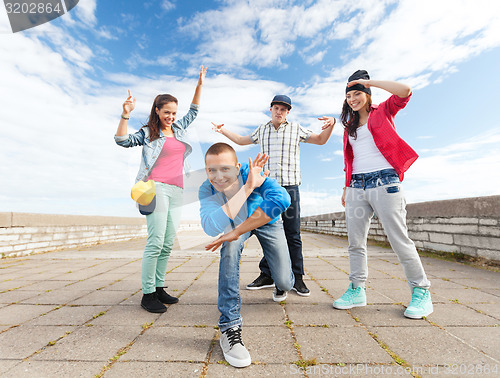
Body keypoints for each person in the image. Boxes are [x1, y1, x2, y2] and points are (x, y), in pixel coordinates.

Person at [330, 69, 432, 319]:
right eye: (349, 95)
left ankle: (421, 291)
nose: (353, 99)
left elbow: (405, 91)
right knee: (355, 243)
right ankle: (357, 289)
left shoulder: (383, 111)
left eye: (357, 93)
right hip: (356, 187)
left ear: (367, 94)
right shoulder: (349, 126)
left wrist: (368, 82)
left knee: (399, 240)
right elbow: (349, 160)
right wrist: (346, 187)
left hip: (385, 182)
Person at [212, 95, 336, 297]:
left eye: (284, 109)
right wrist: (222, 130)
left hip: (290, 187)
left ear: (288, 112)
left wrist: (332, 124)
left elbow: (321, 140)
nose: (280, 112)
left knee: (292, 234)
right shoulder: (262, 130)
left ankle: (298, 277)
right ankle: (267, 275)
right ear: (271, 109)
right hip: (267, 188)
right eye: (277, 108)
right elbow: (242, 140)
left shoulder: (296, 129)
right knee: (268, 232)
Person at [114, 66, 207, 313]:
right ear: (157, 111)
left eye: (174, 113)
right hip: (155, 190)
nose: (171, 117)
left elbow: (194, 111)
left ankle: (158, 287)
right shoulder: (148, 133)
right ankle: (147, 294)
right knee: (155, 241)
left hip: (178, 190)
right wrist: (125, 115)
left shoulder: (178, 129)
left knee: (167, 243)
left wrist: (199, 84)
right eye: (167, 112)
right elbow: (122, 140)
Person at [199, 142, 294, 368]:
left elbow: (283, 200)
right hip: (237, 222)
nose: (218, 176)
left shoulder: (252, 172)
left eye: (225, 169)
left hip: (266, 220)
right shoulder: (207, 188)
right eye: (212, 170)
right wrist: (247, 188)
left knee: (284, 282)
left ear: (237, 166)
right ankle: (229, 325)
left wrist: (251, 184)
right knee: (229, 247)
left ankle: (281, 281)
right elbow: (211, 226)